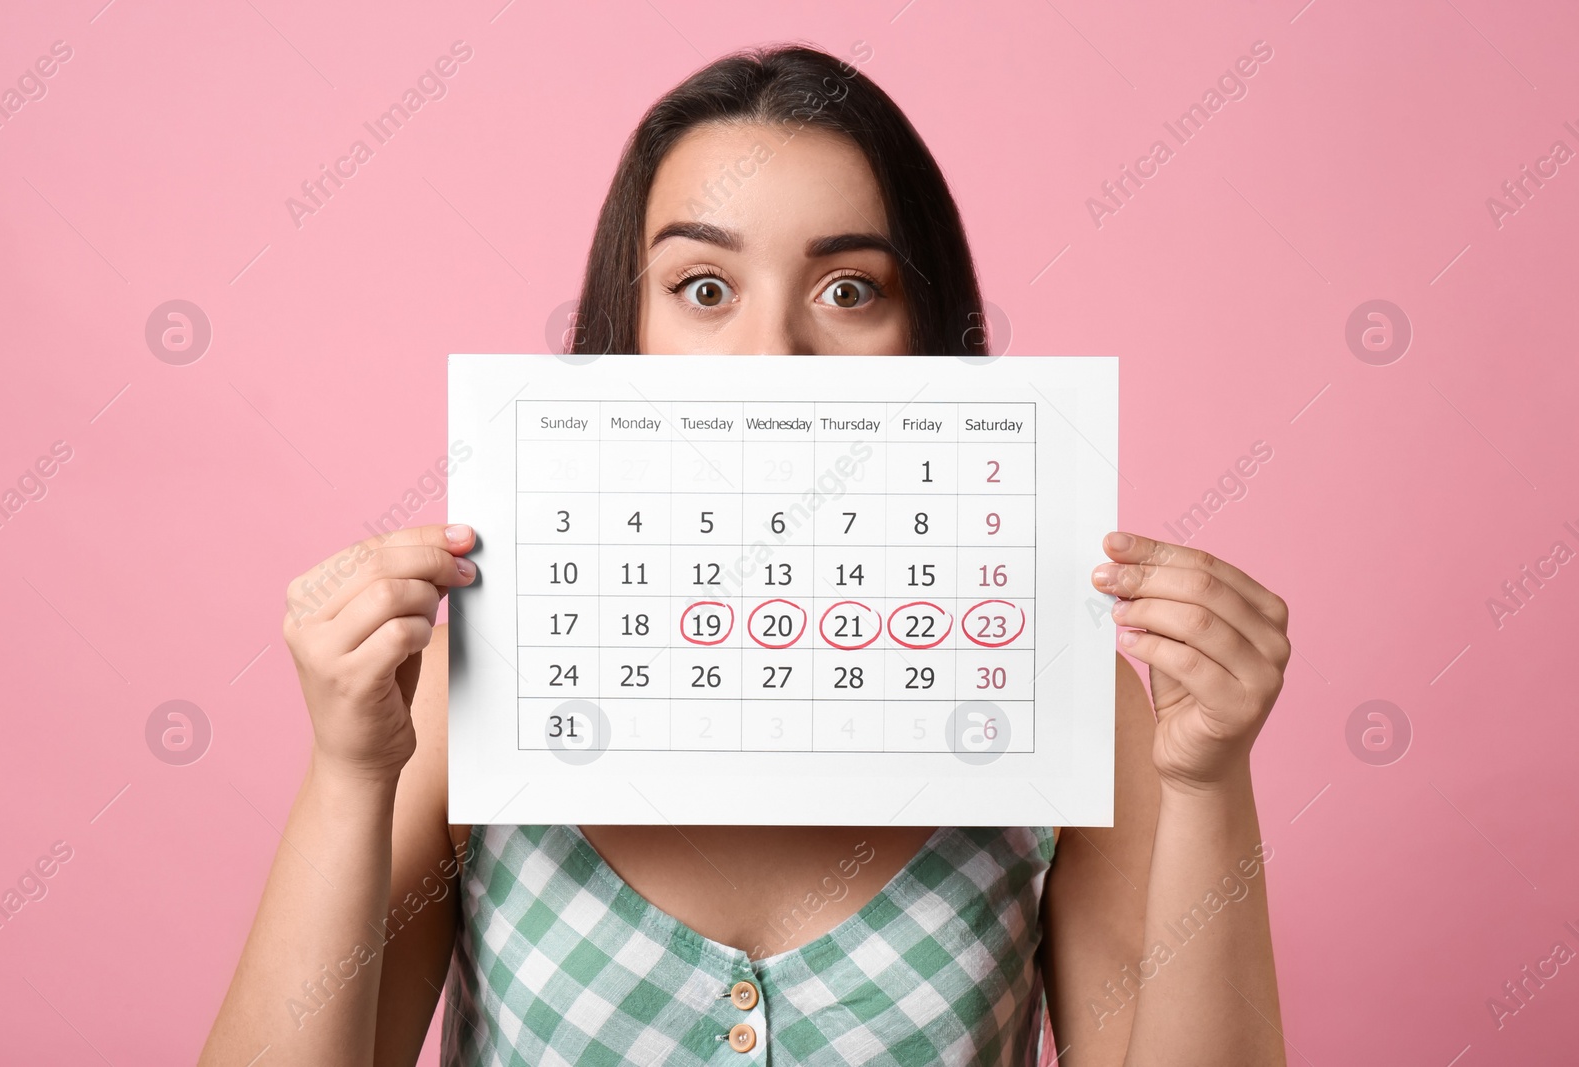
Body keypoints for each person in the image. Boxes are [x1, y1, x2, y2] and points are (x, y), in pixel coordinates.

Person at [201, 43, 1290, 1066]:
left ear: (929, 335)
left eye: (849, 288)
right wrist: (348, 771)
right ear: (627, 328)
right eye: (705, 289)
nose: (773, 353)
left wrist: (1207, 782)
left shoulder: (1066, 707)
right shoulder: (463, 698)